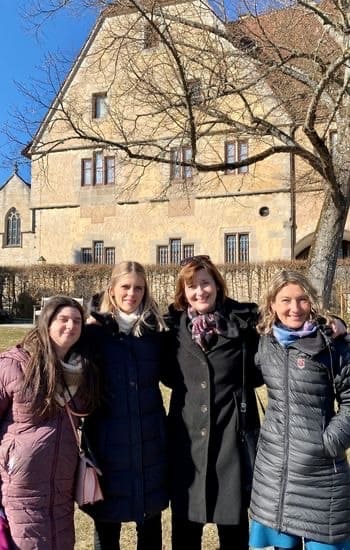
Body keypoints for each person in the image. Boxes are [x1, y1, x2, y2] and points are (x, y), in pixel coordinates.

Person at [164, 255, 262, 550]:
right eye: (191, 285)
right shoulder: (171, 328)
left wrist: (332, 322)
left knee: (233, 531)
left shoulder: (245, 323)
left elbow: (290, 315)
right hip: (188, 439)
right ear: (183, 291)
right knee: (185, 529)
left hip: (231, 437)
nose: (199, 291)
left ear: (217, 285)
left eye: (205, 283)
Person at [249, 269, 350, 550]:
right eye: (285, 300)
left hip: (321, 473)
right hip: (274, 474)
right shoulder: (264, 340)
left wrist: (330, 442)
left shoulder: (332, 343)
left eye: (302, 299)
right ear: (272, 305)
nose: (294, 308)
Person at [0, 295, 99, 550]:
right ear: (46, 322)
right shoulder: (15, 364)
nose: (70, 326)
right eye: (63, 319)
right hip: (20, 482)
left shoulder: (82, 371)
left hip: (62, 482)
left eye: (77, 321)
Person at [82, 261, 169, 550]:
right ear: (112, 289)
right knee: (106, 527)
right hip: (108, 443)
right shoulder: (95, 333)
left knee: (150, 523)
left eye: (139, 288)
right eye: (126, 287)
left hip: (149, 440)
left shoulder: (156, 331)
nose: (132, 293)